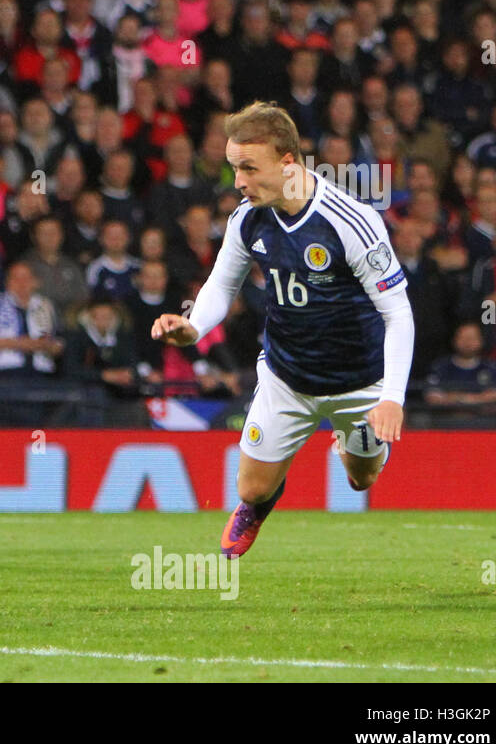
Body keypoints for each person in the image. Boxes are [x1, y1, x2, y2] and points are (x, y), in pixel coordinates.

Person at [152, 102, 415, 558]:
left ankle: (352, 440)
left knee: (361, 478)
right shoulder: (247, 217)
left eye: (250, 168)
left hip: (361, 380)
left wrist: (392, 397)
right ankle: (256, 510)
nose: (238, 182)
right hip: (286, 376)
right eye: (235, 168)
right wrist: (192, 328)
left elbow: (398, 314)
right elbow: (221, 284)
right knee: (251, 488)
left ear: (288, 163)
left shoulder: (351, 221)